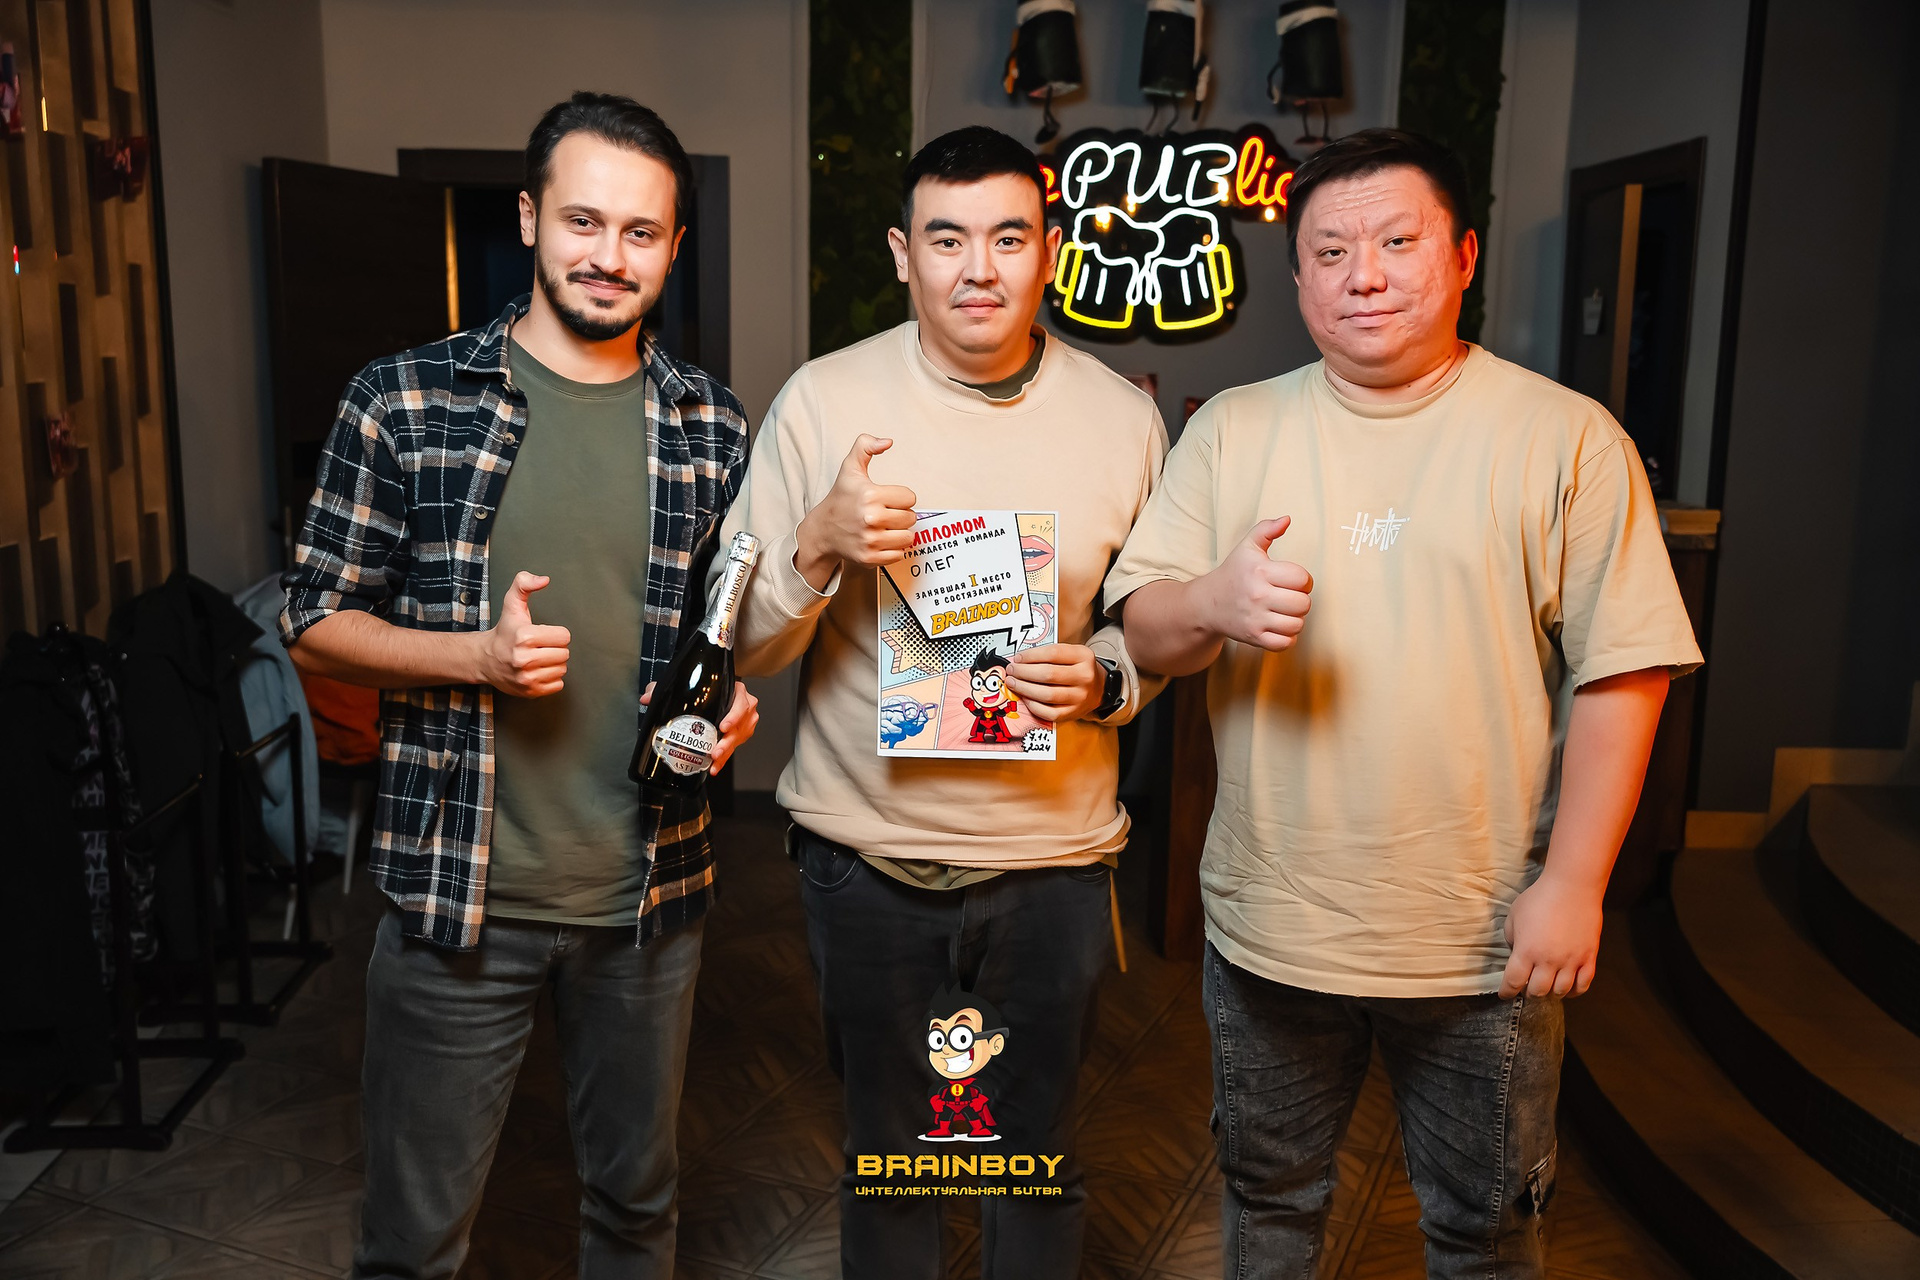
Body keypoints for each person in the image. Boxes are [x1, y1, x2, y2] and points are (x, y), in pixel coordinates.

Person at [1107, 128, 1702, 1279]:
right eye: (1330, 251)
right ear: (1298, 278)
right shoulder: (1232, 427)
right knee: (1269, 1208)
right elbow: (1144, 632)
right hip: (1271, 927)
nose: (1362, 275)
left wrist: (1575, 882)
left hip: (1483, 940)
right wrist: (1213, 599)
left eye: (1395, 241)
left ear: (1464, 255)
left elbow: (1624, 669)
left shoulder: (1568, 438)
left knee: (1484, 1233)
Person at [281, 92, 758, 1280]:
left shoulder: (711, 423)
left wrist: (730, 705)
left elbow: (721, 630)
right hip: (460, 894)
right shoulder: (403, 398)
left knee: (636, 1213)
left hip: (648, 893)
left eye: (640, 231)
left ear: (674, 247)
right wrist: (474, 660)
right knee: (413, 1243)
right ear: (532, 216)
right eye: (584, 220)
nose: (609, 255)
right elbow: (311, 620)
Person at [714, 125, 1165, 1279]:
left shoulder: (1124, 419)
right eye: (947, 238)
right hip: (866, 860)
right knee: (891, 1163)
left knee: (1037, 1161)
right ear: (901, 252)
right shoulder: (822, 401)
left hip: (1054, 864)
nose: (978, 268)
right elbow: (747, 645)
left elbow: (1151, 625)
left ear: (1049, 251)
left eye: (1008, 237)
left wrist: (1106, 676)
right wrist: (818, 541)